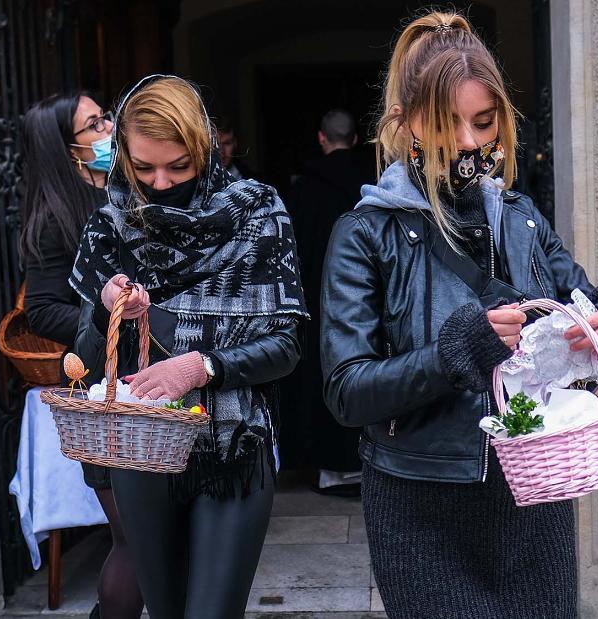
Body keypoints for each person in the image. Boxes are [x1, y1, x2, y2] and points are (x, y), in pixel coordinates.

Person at [320, 12, 598, 619]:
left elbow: (587, 303)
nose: (471, 142)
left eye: (483, 122)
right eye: (447, 123)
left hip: (535, 501)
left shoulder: (522, 218)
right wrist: (461, 351)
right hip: (421, 508)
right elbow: (348, 391)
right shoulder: (364, 234)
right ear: (408, 124)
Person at [69, 75, 307, 619]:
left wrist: (202, 366)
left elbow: (287, 346)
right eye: (145, 167)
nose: (161, 183)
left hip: (233, 448)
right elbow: (85, 359)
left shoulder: (257, 214)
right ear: (124, 158)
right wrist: (108, 305)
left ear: (206, 150)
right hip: (144, 449)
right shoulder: (110, 225)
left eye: (179, 167)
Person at [20, 93, 144, 619]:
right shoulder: (55, 219)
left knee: (161, 534)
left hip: (160, 376)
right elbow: (42, 310)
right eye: (95, 124)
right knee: (134, 536)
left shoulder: (133, 189)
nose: (110, 127)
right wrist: (104, 316)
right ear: (69, 150)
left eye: (105, 116)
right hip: (108, 385)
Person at [283, 109, 373, 495]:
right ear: (355, 140)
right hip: (367, 295)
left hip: (316, 296)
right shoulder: (373, 183)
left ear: (322, 139)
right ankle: (365, 458)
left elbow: (292, 250)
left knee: (324, 372)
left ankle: (329, 465)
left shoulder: (304, 188)